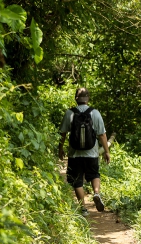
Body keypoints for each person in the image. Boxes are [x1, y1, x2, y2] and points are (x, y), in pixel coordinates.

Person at [58, 87, 111, 216]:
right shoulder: (95, 113)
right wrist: (106, 151)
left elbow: (62, 134)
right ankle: (96, 193)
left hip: (74, 154)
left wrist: (60, 148)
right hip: (91, 153)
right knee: (94, 175)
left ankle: (83, 209)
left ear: (76, 98)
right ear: (88, 99)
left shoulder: (69, 113)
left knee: (77, 181)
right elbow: (102, 135)